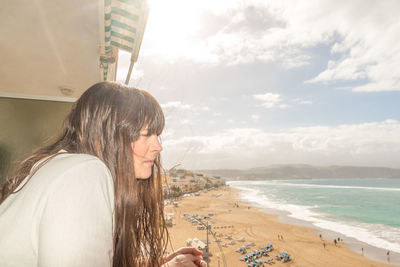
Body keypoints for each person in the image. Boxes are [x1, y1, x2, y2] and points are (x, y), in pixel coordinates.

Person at [0, 82, 206, 267]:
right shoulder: (84, 174)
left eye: (157, 135)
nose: (158, 146)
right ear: (111, 134)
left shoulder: (61, 166)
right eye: (146, 134)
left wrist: (156, 263)